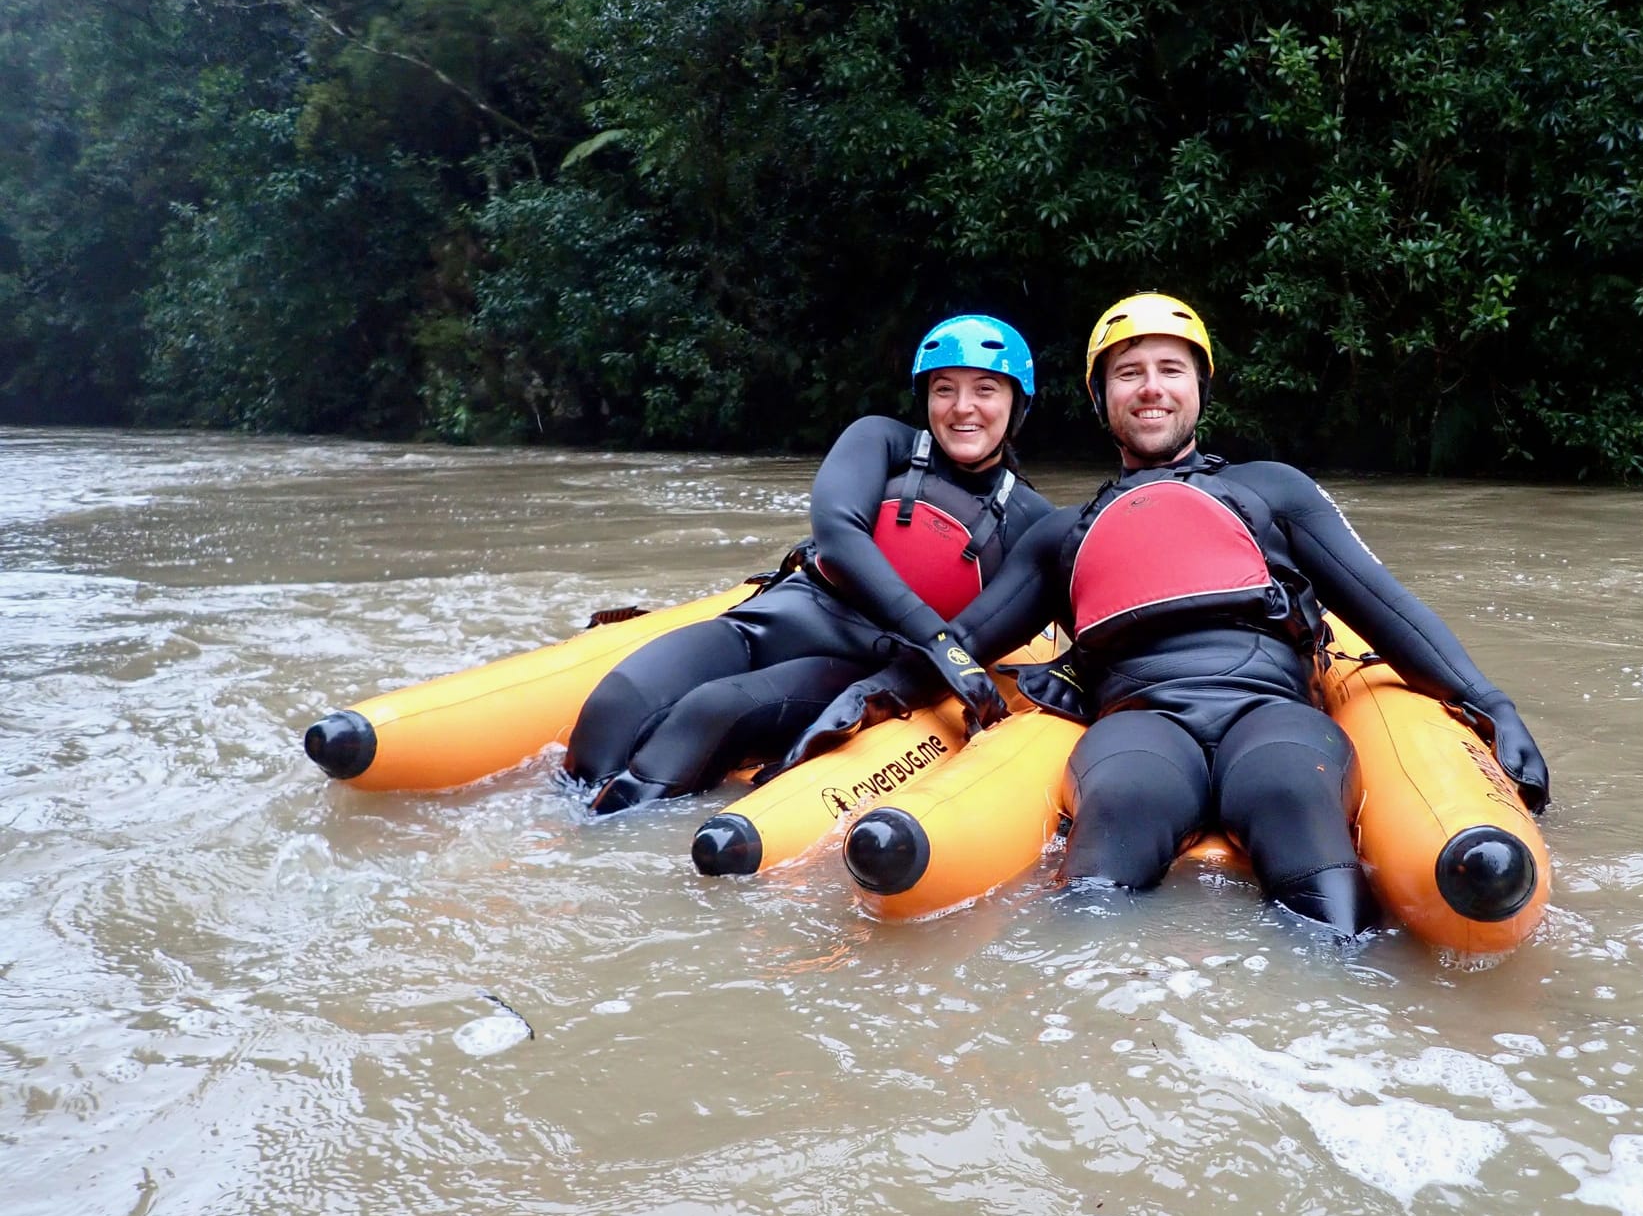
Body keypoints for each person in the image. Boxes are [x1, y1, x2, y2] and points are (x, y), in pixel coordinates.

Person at [779, 293, 1550, 935]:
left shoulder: (1273, 491)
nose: (1150, 388)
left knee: (1289, 789)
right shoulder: (1060, 535)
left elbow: (1385, 608)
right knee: (1122, 802)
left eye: (1169, 370)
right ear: (1101, 399)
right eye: (1128, 374)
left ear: (1199, 390)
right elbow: (965, 643)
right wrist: (870, 694)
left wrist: (1491, 705)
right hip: (1141, 721)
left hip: (1271, 711)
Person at [565, 315, 1054, 813]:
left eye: (985, 389)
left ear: (1017, 402)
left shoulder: (1032, 522)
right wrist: (939, 641)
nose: (962, 406)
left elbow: (1018, 623)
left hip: (859, 661)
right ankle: (568, 822)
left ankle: (606, 828)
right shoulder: (880, 440)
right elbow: (838, 537)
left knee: (709, 710)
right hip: (785, 614)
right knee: (616, 703)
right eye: (944, 389)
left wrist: (894, 685)